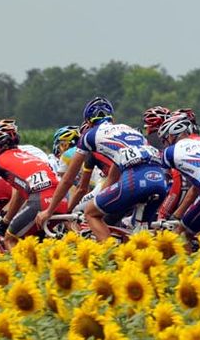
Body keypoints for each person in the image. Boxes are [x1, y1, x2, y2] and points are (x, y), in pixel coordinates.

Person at [39, 97, 168, 241]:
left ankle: (109, 256)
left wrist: (49, 211)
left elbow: (68, 180)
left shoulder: (89, 135)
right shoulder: (132, 131)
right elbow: (113, 177)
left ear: (88, 122)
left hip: (134, 181)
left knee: (91, 213)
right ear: (112, 119)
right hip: (159, 181)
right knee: (141, 239)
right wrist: (101, 200)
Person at [0, 119, 61, 244]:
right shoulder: (28, 151)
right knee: (35, 241)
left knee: (10, 238)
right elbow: (21, 191)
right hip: (59, 195)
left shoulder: (3, 159)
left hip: (39, 199)